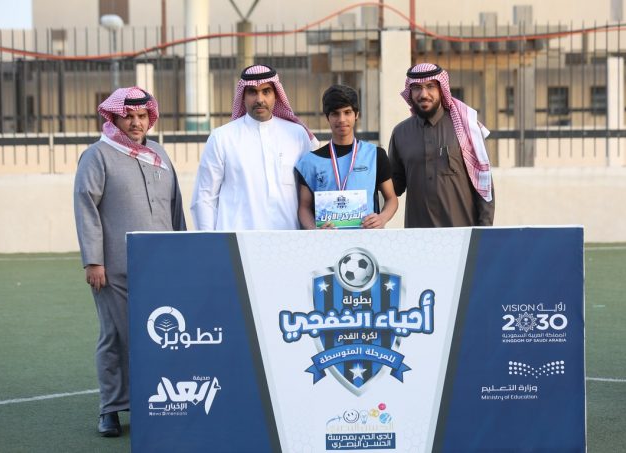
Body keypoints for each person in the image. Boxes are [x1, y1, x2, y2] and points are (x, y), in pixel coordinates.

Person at [73, 87, 186, 437]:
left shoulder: (159, 153)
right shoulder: (98, 155)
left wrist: (184, 252)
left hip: (162, 266)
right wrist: (93, 261)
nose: (136, 123)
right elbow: (85, 207)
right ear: (114, 117)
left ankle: (154, 404)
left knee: (159, 336)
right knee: (116, 335)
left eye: (142, 116)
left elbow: (175, 206)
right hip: (114, 268)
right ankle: (110, 409)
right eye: (129, 117)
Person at [191, 64, 318, 230]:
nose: (259, 99)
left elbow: (309, 193)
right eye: (252, 92)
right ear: (243, 96)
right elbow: (204, 197)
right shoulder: (222, 138)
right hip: (237, 241)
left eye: (266, 91)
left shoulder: (297, 135)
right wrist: (211, 241)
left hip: (287, 239)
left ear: (276, 95)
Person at [388, 63, 495, 228]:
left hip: (461, 233)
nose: (424, 94)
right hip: (417, 236)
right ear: (410, 91)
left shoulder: (466, 128)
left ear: (441, 89)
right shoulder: (400, 133)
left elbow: (483, 183)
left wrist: (484, 232)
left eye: (430, 86)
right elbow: (394, 186)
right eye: (417, 88)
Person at [295, 84, 398, 229]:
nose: (342, 119)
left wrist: (382, 218)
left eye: (347, 112)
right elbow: (304, 207)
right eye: (335, 114)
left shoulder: (375, 155)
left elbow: (392, 199)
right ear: (327, 117)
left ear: (356, 115)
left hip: (367, 238)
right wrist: (316, 231)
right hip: (328, 240)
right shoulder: (310, 162)